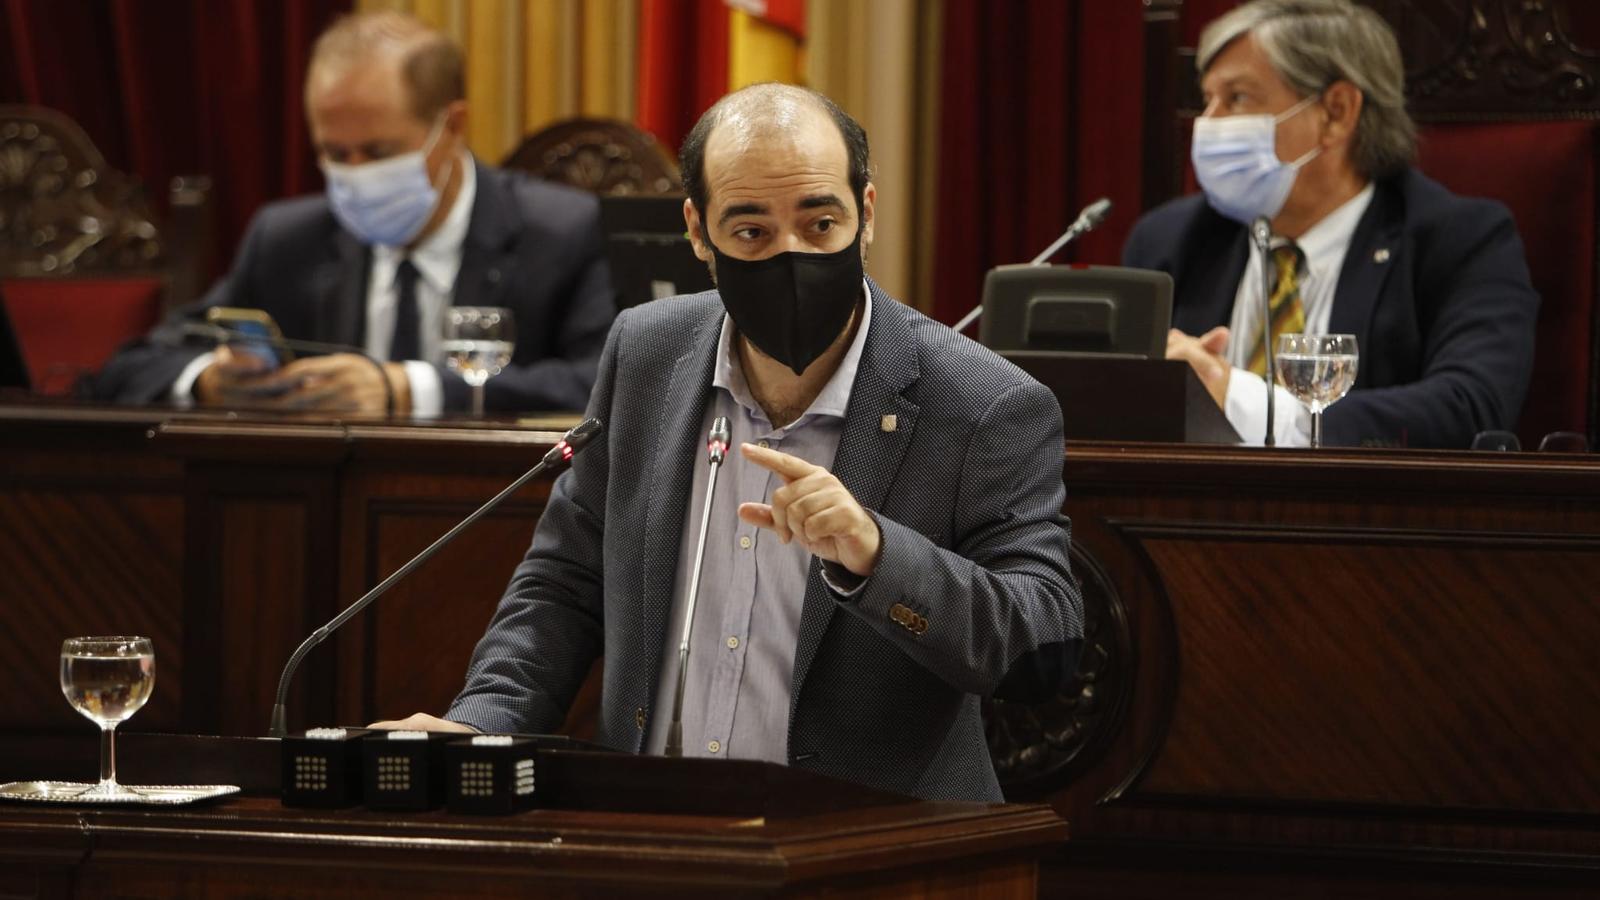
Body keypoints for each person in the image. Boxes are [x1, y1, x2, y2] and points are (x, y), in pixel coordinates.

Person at [375, 84, 1084, 802]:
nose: (791, 254)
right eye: (751, 232)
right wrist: (482, 725)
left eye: (820, 223)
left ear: (866, 215)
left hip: (872, 849)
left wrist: (878, 556)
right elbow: (565, 583)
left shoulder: (984, 402)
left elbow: (1044, 644)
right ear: (696, 231)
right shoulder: (645, 352)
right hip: (658, 837)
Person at [95, 12, 615, 415]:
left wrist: (407, 388)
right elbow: (130, 367)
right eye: (334, 154)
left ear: (452, 127)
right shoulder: (286, 239)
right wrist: (208, 378)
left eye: (379, 152)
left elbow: (603, 384)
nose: (355, 173)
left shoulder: (560, 232)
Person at [1122, 0, 1538, 448]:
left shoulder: (1460, 240)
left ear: (1336, 112)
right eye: (1208, 100)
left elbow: (1472, 407)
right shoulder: (1169, 240)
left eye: (1237, 98)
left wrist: (1239, 399)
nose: (1207, 124)